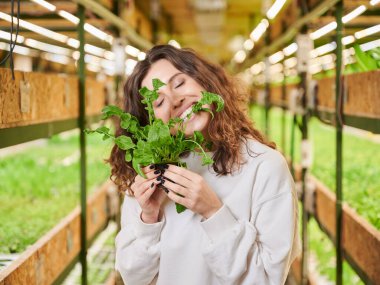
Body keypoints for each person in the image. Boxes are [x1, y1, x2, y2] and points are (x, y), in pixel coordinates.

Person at [109, 45, 300, 285]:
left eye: (179, 84)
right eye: (158, 102)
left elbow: (267, 280)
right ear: (151, 123)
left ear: (205, 82)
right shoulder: (148, 172)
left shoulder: (265, 166)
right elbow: (134, 278)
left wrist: (213, 211)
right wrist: (149, 217)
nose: (176, 100)